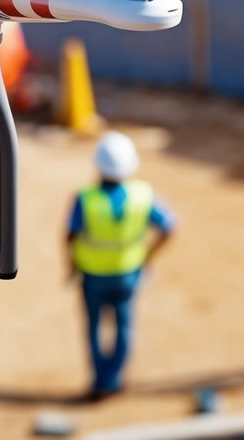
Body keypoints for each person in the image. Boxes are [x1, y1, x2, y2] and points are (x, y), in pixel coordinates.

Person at [66, 131, 175, 401]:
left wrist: (71, 266)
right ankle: (114, 379)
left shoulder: (86, 198)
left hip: (92, 275)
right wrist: (148, 256)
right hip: (128, 272)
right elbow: (169, 227)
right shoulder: (143, 194)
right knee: (124, 326)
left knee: (94, 327)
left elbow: (70, 237)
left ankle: (100, 381)